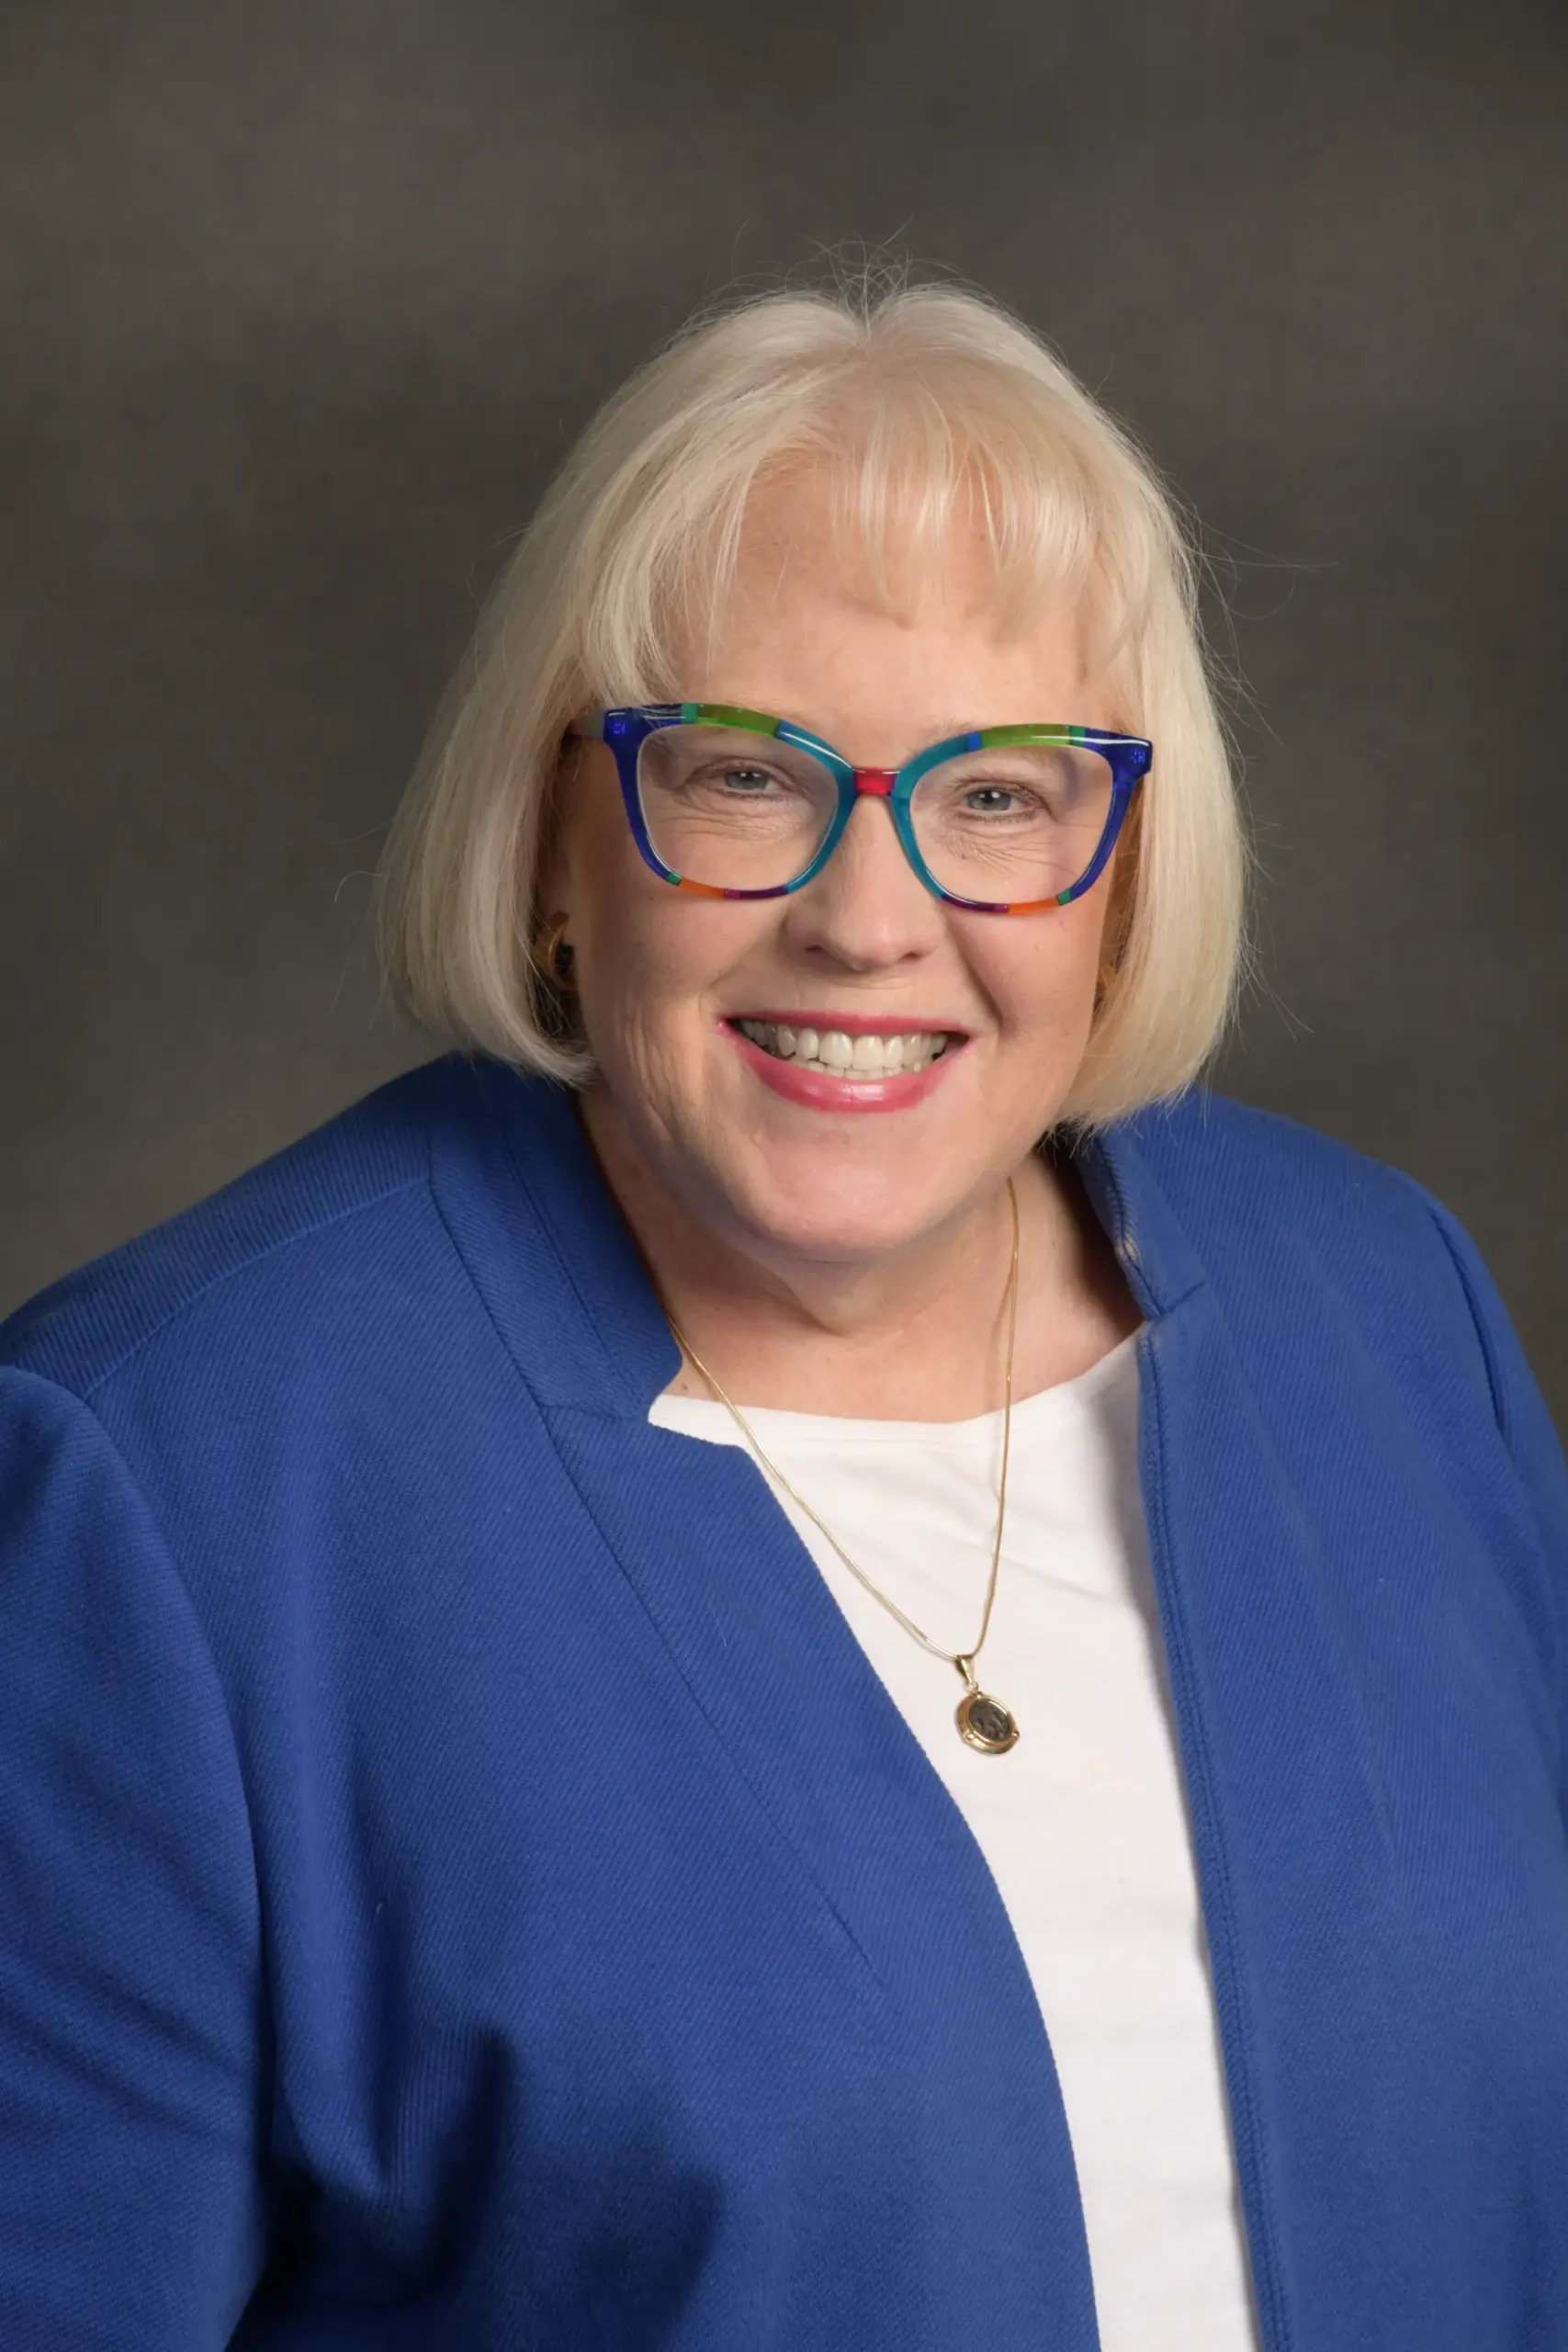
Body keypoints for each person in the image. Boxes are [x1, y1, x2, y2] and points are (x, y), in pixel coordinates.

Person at [1, 273, 1564, 2352]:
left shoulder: (1383, 1313)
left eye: (999, 794)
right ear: (556, 842)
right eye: (746, 774)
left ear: (1124, 872)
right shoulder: (164, 1485)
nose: (868, 916)